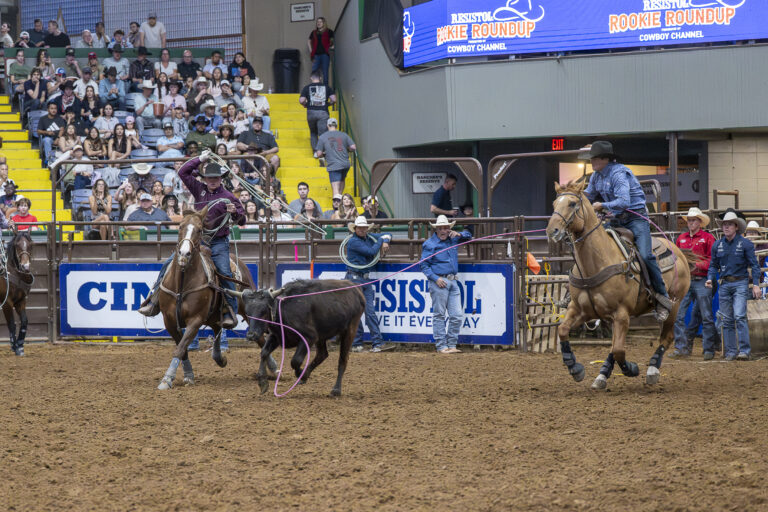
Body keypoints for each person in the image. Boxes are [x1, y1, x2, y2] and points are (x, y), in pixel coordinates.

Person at [138, 151, 245, 329]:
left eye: (216, 177)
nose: (212, 180)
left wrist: (234, 212)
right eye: (209, 177)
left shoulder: (229, 197)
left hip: (218, 241)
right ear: (204, 178)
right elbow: (183, 172)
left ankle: (229, 311)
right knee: (169, 264)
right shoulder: (199, 189)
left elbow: (242, 220)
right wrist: (200, 159)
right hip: (198, 240)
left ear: (221, 178)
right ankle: (154, 300)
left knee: (225, 271)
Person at [582, 140, 673, 321]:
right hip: (616, 219)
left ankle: (662, 297)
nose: (591, 162)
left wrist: (602, 205)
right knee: (592, 242)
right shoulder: (596, 176)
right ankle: (580, 289)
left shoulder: (619, 173)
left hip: (636, 219)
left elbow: (624, 201)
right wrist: (570, 195)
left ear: (604, 159)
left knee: (646, 256)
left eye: (594, 158)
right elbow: (588, 194)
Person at [707, 209, 761, 361]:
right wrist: (710, 278)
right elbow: (713, 265)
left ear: (736, 227)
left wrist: (755, 284)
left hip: (740, 282)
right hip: (725, 283)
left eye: (730, 224)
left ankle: (743, 350)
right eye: (725, 224)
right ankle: (731, 351)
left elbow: (754, 266)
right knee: (727, 319)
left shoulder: (745, 244)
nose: (726, 227)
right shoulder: (717, 245)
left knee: (738, 315)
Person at [421, 215, 473, 354]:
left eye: (446, 227)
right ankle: (441, 346)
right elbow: (424, 265)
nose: (444, 230)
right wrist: (435, 278)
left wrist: (460, 233)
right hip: (439, 282)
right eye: (441, 228)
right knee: (439, 314)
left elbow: (469, 236)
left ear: (449, 228)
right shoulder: (430, 244)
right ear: (436, 229)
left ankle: (451, 344)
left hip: (453, 281)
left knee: (456, 315)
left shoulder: (453, 238)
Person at [671, 208, 717, 359]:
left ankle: (708, 349)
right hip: (686, 281)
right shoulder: (681, 238)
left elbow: (713, 260)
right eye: (689, 220)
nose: (690, 223)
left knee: (706, 316)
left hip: (702, 279)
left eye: (693, 220)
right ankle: (681, 347)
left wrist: (697, 265)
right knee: (679, 314)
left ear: (700, 222)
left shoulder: (708, 238)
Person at [343, 216, 395, 353]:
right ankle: (358, 343)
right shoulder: (353, 241)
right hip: (354, 278)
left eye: (364, 227)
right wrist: (382, 241)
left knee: (369, 311)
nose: (362, 230)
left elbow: (388, 234)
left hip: (364, 279)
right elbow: (371, 252)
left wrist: (386, 239)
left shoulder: (369, 237)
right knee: (357, 312)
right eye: (360, 227)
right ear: (355, 228)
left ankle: (376, 342)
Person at [315, 117, 355, 196]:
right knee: (342, 180)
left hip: (334, 165)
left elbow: (318, 154)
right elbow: (353, 147)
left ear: (327, 125)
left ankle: (337, 204)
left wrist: (324, 153)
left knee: (335, 188)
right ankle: (340, 199)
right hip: (345, 164)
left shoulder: (323, 137)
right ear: (336, 125)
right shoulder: (344, 135)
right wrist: (347, 149)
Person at [299, 71, 336, 151]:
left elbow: (301, 100)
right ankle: (323, 151)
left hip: (311, 112)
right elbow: (334, 99)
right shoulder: (326, 87)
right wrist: (329, 104)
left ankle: (316, 152)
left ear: (311, 78)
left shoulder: (306, 87)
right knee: (323, 133)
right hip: (323, 112)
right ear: (320, 78)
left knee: (313, 132)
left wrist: (305, 105)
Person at [308, 17, 334, 87]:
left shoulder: (329, 31)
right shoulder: (314, 32)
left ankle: (325, 90)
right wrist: (311, 51)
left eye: (320, 22)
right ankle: (314, 88)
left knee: (325, 73)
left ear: (324, 23)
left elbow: (332, 41)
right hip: (316, 55)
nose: (318, 23)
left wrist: (331, 46)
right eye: (317, 22)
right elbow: (309, 41)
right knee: (314, 72)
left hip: (325, 55)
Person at [37, 101, 65, 166]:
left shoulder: (59, 118)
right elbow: (38, 131)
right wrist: (47, 132)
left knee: (63, 140)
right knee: (47, 140)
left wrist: (58, 139)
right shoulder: (43, 119)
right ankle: (50, 161)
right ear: (48, 109)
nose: (53, 110)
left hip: (59, 139)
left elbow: (62, 130)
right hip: (48, 139)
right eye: (51, 108)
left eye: (55, 108)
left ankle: (63, 162)